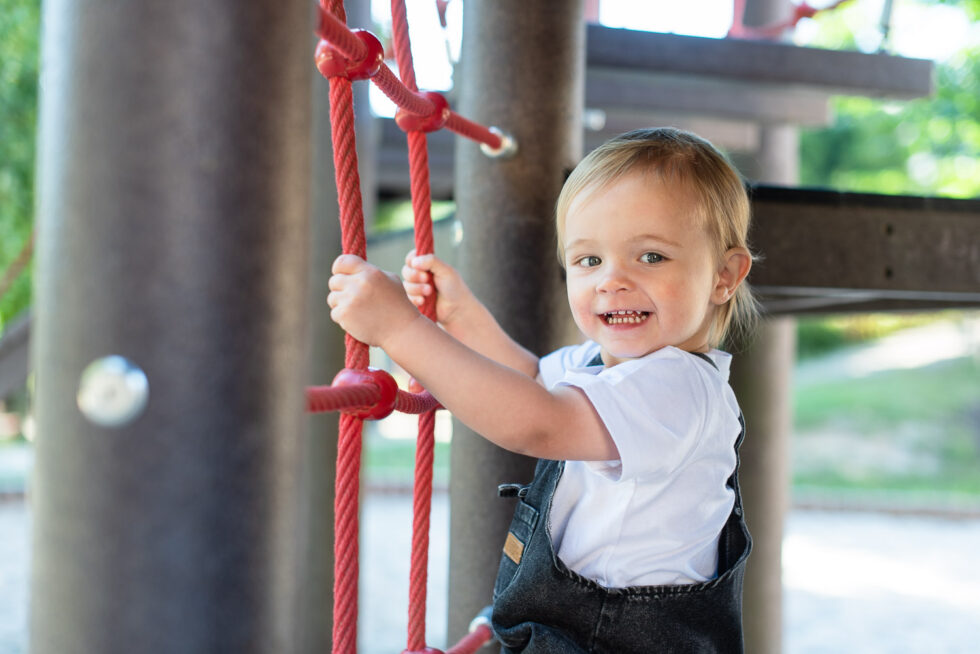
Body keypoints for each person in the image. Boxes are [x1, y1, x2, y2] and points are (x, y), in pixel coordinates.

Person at [327, 127, 757, 653]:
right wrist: (462, 317)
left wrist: (399, 331)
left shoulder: (681, 389)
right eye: (589, 260)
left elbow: (537, 422)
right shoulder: (598, 363)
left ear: (724, 275)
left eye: (651, 257)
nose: (611, 280)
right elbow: (530, 379)